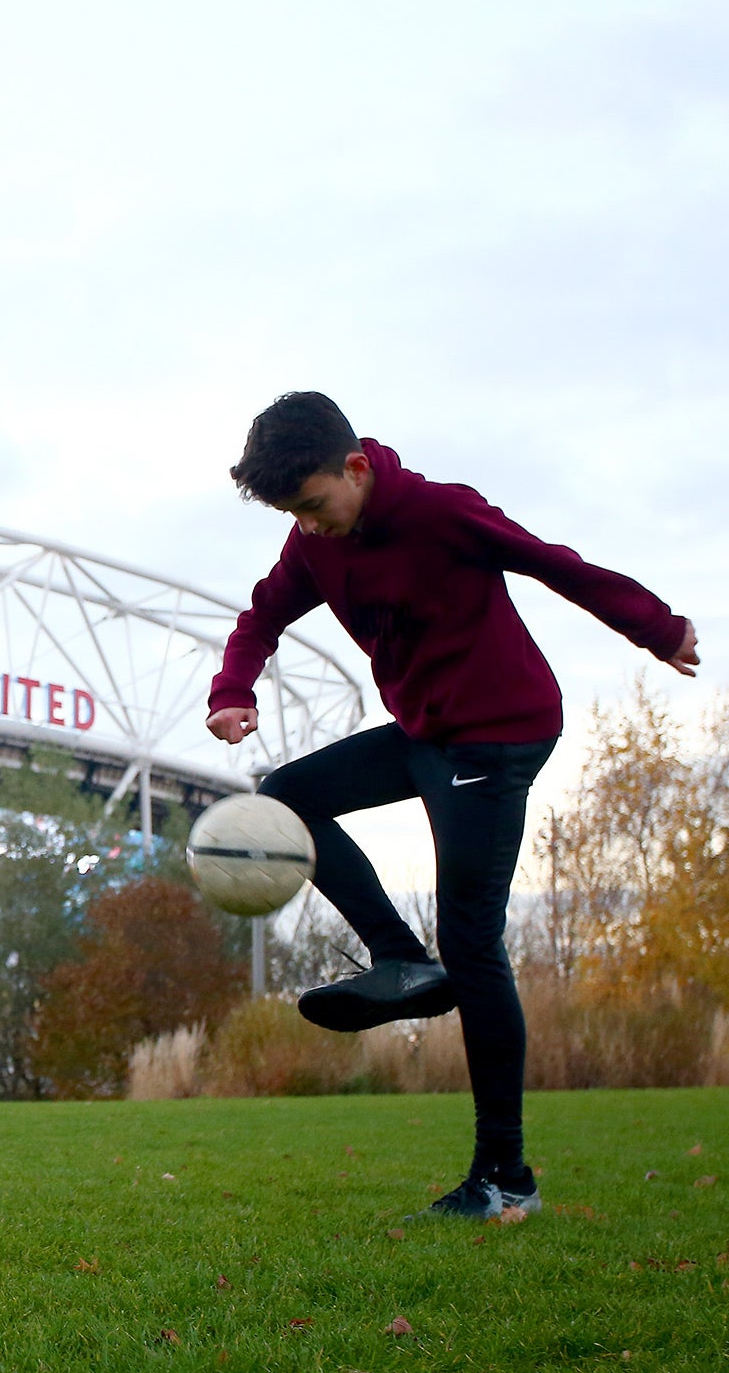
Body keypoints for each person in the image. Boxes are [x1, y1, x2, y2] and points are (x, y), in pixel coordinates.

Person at [206, 391, 696, 1221]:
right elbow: (262, 614)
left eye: (316, 506)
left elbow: (554, 562)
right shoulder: (313, 543)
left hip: (500, 733)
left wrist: (657, 628)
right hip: (428, 733)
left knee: (474, 943)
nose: (310, 527)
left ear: (356, 469)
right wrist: (233, 688)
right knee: (287, 795)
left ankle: (506, 1176)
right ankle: (400, 958)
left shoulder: (440, 512)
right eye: (294, 515)